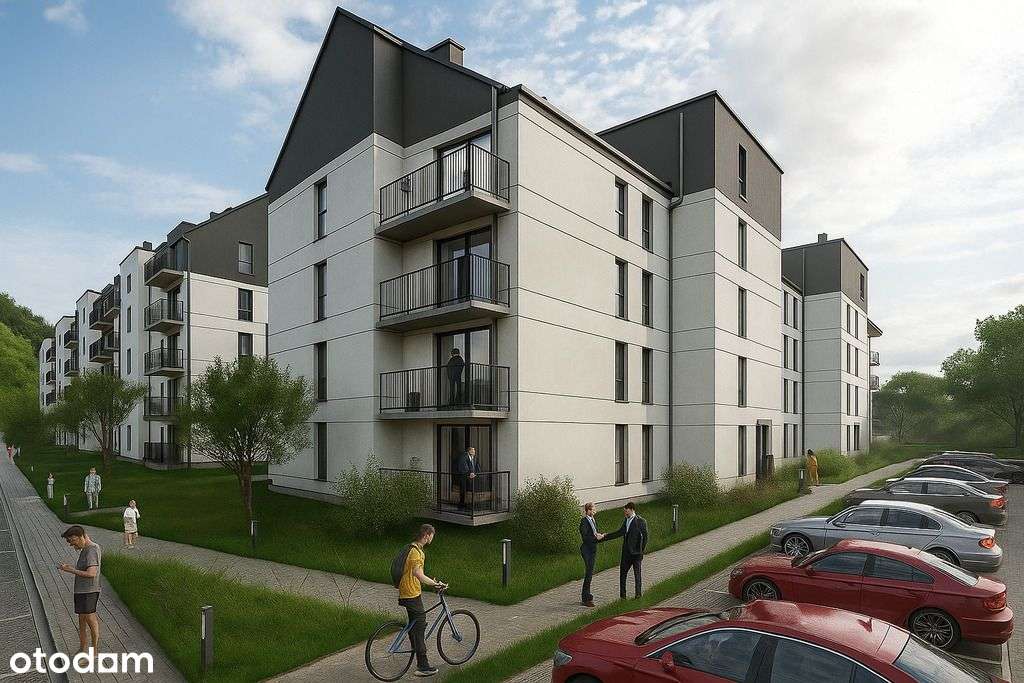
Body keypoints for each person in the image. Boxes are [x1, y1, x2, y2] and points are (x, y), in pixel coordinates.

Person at [398, 524, 445, 677]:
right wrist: (435, 584)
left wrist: (432, 582)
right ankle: (423, 666)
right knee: (420, 626)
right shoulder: (416, 552)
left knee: (416, 625)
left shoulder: (413, 548)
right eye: (432, 535)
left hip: (410, 592)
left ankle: (415, 649)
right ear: (426, 535)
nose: (432, 538)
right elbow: (418, 574)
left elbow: (416, 574)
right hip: (410, 594)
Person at [58, 525, 102, 653]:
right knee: (82, 621)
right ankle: (83, 649)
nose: (72, 545)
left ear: (81, 536)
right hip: (82, 591)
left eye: (73, 541)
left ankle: (94, 651)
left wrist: (70, 570)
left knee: (91, 620)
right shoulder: (85, 549)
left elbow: (91, 573)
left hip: (89, 591)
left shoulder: (92, 549)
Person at [602, 502, 649, 599]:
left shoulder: (640, 521)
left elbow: (645, 537)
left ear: (632, 509)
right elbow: (619, 532)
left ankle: (638, 595)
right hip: (626, 553)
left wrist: (641, 550)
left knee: (637, 574)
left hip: (636, 554)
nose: (625, 513)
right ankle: (622, 596)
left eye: (626, 511)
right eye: (624, 512)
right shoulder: (626, 521)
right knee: (622, 574)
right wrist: (605, 536)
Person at [579, 502, 605, 607]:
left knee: (590, 572)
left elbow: (593, 533)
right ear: (588, 510)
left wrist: (600, 536)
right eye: (593, 509)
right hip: (587, 550)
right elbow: (585, 537)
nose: (595, 511)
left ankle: (586, 596)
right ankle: (586, 598)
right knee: (589, 572)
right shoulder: (584, 521)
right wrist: (596, 538)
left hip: (593, 549)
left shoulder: (593, 520)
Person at [455, 446, 478, 510]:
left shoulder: (474, 457)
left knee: (469, 490)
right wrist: (469, 473)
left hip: (471, 477)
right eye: (473, 450)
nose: (474, 452)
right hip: (463, 476)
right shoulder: (463, 457)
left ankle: (468, 504)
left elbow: (476, 466)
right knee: (463, 490)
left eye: (474, 450)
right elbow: (463, 467)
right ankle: (461, 505)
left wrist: (476, 473)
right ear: (469, 451)